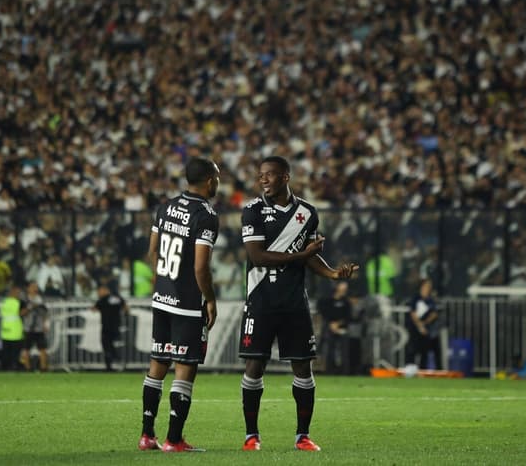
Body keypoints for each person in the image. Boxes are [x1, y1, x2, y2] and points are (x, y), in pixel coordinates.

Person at [238, 156, 358, 452]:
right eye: (260, 174)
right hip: (261, 299)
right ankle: (251, 436)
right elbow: (258, 256)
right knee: (255, 365)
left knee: (303, 368)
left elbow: (310, 254)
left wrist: (331, 273)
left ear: (285, 177)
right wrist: (300, 256)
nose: (263, 179)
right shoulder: (252, 211)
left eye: (270, 174)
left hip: (294, 302)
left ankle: (302, 436)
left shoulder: (307, 212)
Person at [138, 158, 221, 453]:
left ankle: (147, 436)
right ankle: (174, 439)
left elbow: (152, 252)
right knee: (185, 368)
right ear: (210, 181)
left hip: (162, 297)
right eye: (218, 177)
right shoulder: (206, 215)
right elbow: (201, 267)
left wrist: (165, 282)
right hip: (187, 303)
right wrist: (210, 298)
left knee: (157, 364)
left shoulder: (165, 207)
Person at [317, 280, 352, 374]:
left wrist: (338, 324)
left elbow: (348, 317)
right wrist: (331, 324)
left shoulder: (346, 302)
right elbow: (325, 313)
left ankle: (345, 372)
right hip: (329, 328)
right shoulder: (327, 300)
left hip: (342, 328)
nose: (344, 290)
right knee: (329, 349)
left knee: (344, 351)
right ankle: (329, 371)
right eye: (342, 287)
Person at [92, 282, 129, 371]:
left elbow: (93, 309)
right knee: (111, 344)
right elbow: (126, 308)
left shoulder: (102, 300)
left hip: (106, 326)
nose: (98, 293)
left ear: (105, 290)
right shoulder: (117, 298)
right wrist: (125, 314)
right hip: (116, 326)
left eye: (99, 291)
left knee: (106, 345)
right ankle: (115, 360)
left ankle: (111, 363)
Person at [406, 279, 440, 369]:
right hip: (415, 328)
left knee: (425, 350)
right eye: (426, 286)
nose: (428, 288)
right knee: (412, 348)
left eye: (429, 286)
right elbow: (413, 313)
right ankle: (410, 368)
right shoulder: (416, 298)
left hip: (426, 329)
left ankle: (422, 369)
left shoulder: (430, 300)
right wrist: (420, 325)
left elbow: (434, 313)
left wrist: (425, 323)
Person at [21, 281, 49, 372]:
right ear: (28, 288)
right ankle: (27, 368)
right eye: (33, 287)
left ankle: (43, 368)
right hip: (28, 328)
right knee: (26, 349)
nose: (35, 289)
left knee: (43, 349)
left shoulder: (41, 300)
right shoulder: (24, 300)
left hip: (39, 328)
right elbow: (21, 313)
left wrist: (46, 324)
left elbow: (46, 313)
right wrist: (30, 307)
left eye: (36, 287)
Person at [0, 284, 28, 371]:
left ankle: (5, 369)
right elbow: (22, 313)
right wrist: (29, 308)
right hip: (15, 332)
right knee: (15, 354)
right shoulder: (19, 302)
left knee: (6, 353)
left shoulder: (4, 302)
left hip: (5, 331)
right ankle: (14, 368)